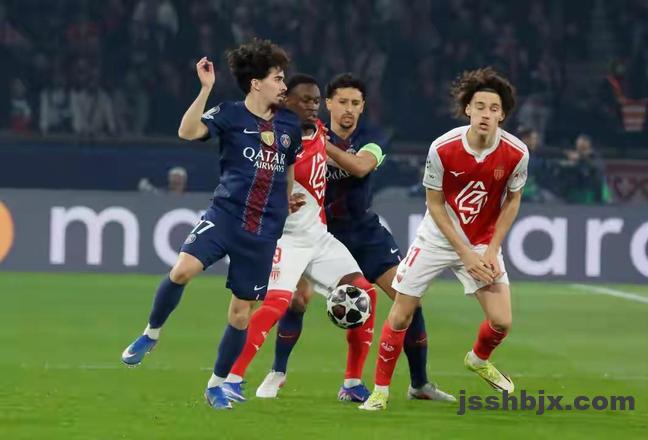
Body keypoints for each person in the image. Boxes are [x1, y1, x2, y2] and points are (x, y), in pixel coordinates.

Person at [120, 38, 303, 410]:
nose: (284, 86)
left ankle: (216, 385)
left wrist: (287, 201)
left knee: (240, 313)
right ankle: (151, 333)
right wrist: (205, 89)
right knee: (182, 270)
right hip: (225, 216)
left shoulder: (289, 124)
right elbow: (186, 132)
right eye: (278, 78)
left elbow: (288, 169)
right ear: (256, 83)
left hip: (263, 230)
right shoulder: (230, 114)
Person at [262, 73, 455, 402]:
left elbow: (361, 167)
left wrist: (320, 144)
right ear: (329, 104)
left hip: (363, 232)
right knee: (298, 299)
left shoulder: (372, 137)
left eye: (355, 103)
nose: (348, 109)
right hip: (318, 231)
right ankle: (277, 372)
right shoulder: (303, 133)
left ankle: (419, 384)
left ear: (363, 107)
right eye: (342, 102)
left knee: (409, 298)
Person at [360, 67, 529, 411]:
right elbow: (434, 204)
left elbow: (513, 201)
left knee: (501, 321)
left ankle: (478, 359)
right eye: (479, 106)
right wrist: (464, 253)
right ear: (467, 109)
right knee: (401, 314)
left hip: (482, 242)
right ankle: (380, 391)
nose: (486, 114)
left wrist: (492, 249)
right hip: (437, 238)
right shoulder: (443, 148)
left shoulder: (516, 153)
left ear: (502, 115)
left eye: (493, 108)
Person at [220, 74, 378, 403]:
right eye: (304, 100)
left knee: (364, 293)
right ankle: (231, 379)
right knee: (277, 304)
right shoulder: (273, 143)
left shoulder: (318, 130)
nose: (312, 106)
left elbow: (352, 164)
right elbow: (247, 182)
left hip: (318, 237)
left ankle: (351, 383)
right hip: (285, 239)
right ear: (286, 102)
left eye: (315, 100)